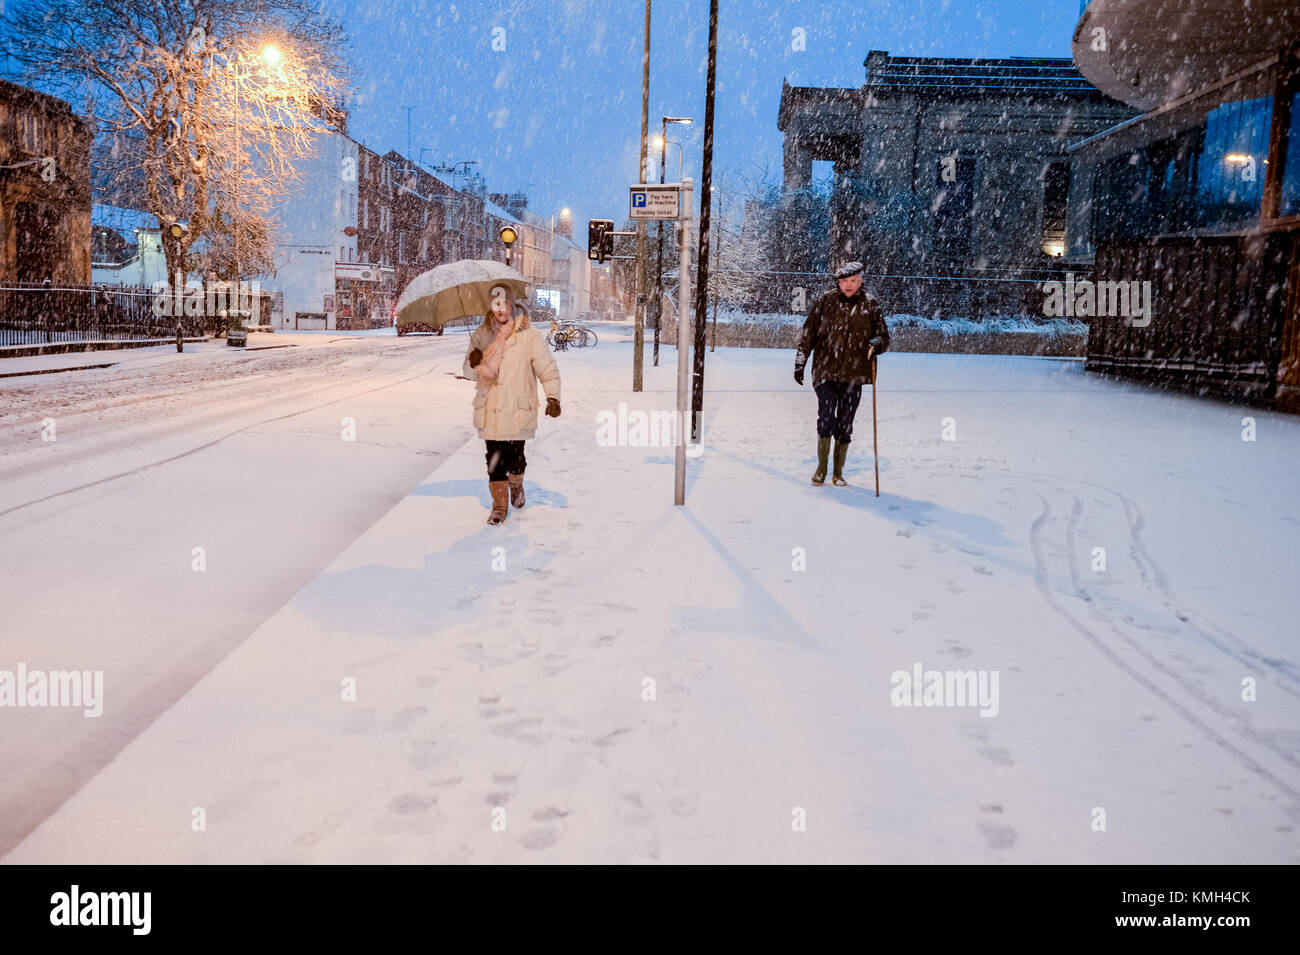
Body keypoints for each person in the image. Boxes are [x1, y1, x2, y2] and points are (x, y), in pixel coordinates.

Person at [463, 287, 561, 524]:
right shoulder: (481, 334)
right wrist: (474, 361)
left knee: (515, 457)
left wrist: (553, 397)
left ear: (511, 305)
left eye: (504, 304)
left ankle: (516, 486)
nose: (500, 309)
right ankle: (499, 507)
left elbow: (546, 367)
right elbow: (468, 370)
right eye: (495, 304)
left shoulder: (529, 335)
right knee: (493, 459)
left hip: (517, 406)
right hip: (491, 407)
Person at [793, 261, 889, 486]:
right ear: (838, 282)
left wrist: (877, 343)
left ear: (861, 281)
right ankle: (821, 468)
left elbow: (884, 338)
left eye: (853, 281)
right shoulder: (826, 301)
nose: (848, 285)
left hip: (854, 374)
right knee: (826, 417)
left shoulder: (871, 305)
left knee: (846, 422)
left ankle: (838, 471)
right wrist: (800, 362)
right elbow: (808, 334)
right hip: (825, 371)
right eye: (844, 281)